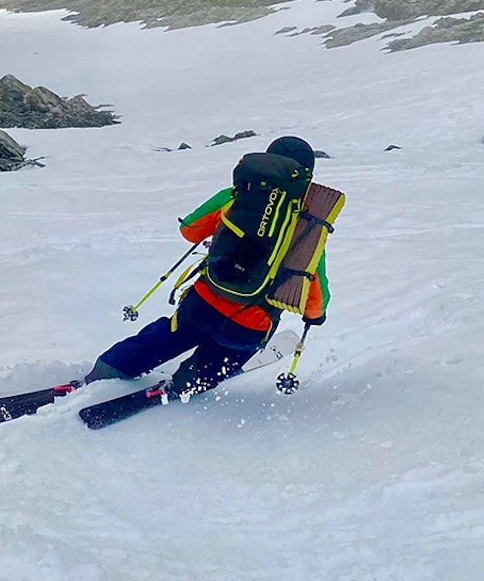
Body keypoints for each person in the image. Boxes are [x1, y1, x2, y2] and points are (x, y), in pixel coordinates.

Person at [85, 136, 330, 397]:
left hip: (201, 303)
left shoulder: (236, 197)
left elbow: (189, 230)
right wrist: (316, 316)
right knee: (227, 354)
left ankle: (111, 367)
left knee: (170, 334)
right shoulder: (308, 230)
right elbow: (313, 294)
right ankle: (187, 383)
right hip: (249, 324)